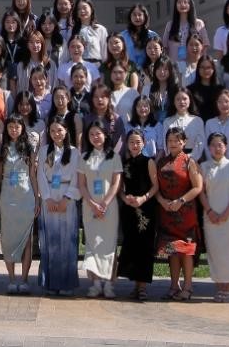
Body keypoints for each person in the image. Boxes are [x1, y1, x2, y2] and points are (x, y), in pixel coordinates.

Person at [155, 126, 204, 301]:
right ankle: (174, 285)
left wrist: (181, 201)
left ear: (184, 142)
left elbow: (198, 187)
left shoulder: (190, 161)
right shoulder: (161, 162)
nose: (173, 143)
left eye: (177, 140)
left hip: (185, 213)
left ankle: (188, 286)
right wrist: (162, 201)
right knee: (172, 251)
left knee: (186, 250)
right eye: (170, 140)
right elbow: (155, 187)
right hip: (167, 212)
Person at [79, 119, 123, 298]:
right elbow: (81, 185)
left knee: (109, 245)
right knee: (93, 245)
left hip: (109, 207)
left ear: (105, 135)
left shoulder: (114, 157)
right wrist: (93, 204)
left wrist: (104, 204)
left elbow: (116, 183)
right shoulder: (84, 157)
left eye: (98, 133)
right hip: (89, 207)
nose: (95, 137)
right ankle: (96, 284)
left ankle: (109, 284)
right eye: (91, 134)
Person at [200, 132, 229, 302]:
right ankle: (219, 288)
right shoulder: (204, 166)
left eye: (220, 145)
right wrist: (209, 211)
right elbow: (201, 191)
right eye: (213, 145)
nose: (217, 148)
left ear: (226, 147)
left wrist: (226, 212)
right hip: (210, 216)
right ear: (209, 147)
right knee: (215, 253)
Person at [37, 116, 80, 296]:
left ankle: (66, 284)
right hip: (49, 195)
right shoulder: (44, 151)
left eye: (60, 130)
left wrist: (66, 198)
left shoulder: (74, 152)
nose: (56, 134)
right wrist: (46, 198)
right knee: (50, 240)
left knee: (67, 241)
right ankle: (51, 283)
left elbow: (77, 176)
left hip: (67, 196)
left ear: (66, 131)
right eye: (53, 131)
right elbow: (40, 175)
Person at [116, 128, 159, 302]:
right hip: (129, 209)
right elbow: (120, 188)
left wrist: (143, 198)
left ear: (144, 143)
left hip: (146, 209)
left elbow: (155, 186)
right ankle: (135, 285)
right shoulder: (124, 163)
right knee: (132, 246)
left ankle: (143, 287)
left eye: (138, 142)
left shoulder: (149, 162)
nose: (135, 145)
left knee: (144, 247)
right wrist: (124, 198)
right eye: (132, 142)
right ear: (127, 144)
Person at [0, 114, 37, 294]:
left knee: (27, 239)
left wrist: (37, 197)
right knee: (7, 238)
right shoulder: (2, 148)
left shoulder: (29, 148)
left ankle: (24, 279)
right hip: (8, 197)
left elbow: (33, 175)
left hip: (25, 195)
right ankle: (12, 279)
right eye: (11, 127)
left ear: (22, 128)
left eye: (17, 127)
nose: (14, 130)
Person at [163, 0, 208, 66]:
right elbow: (165, 48)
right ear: (175, 5)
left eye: (185, 2)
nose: (182, 5)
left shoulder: (199, 23)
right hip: (174, 67)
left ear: (190, 4)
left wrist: (202, 63)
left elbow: (205, 45)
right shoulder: (170, 25)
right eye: (179, 2)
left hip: (194, 66)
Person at [162, 88, 205, 161]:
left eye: (185, 99)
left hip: (193, 160)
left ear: (190, 100)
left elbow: (200, 144)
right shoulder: (167, 122)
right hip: (173, 160)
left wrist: (189, 158)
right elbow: (166, 144)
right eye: (178, 99)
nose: (181, 102)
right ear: (174, 102)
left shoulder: (198, 121)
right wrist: (175, 160)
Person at [205, 90, 229, 161]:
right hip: (213, 165)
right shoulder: (209, 123)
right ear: (216, 104)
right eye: (220, 102)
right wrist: (213, 162)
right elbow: (206, 146)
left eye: (226, 101)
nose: (223, 104)